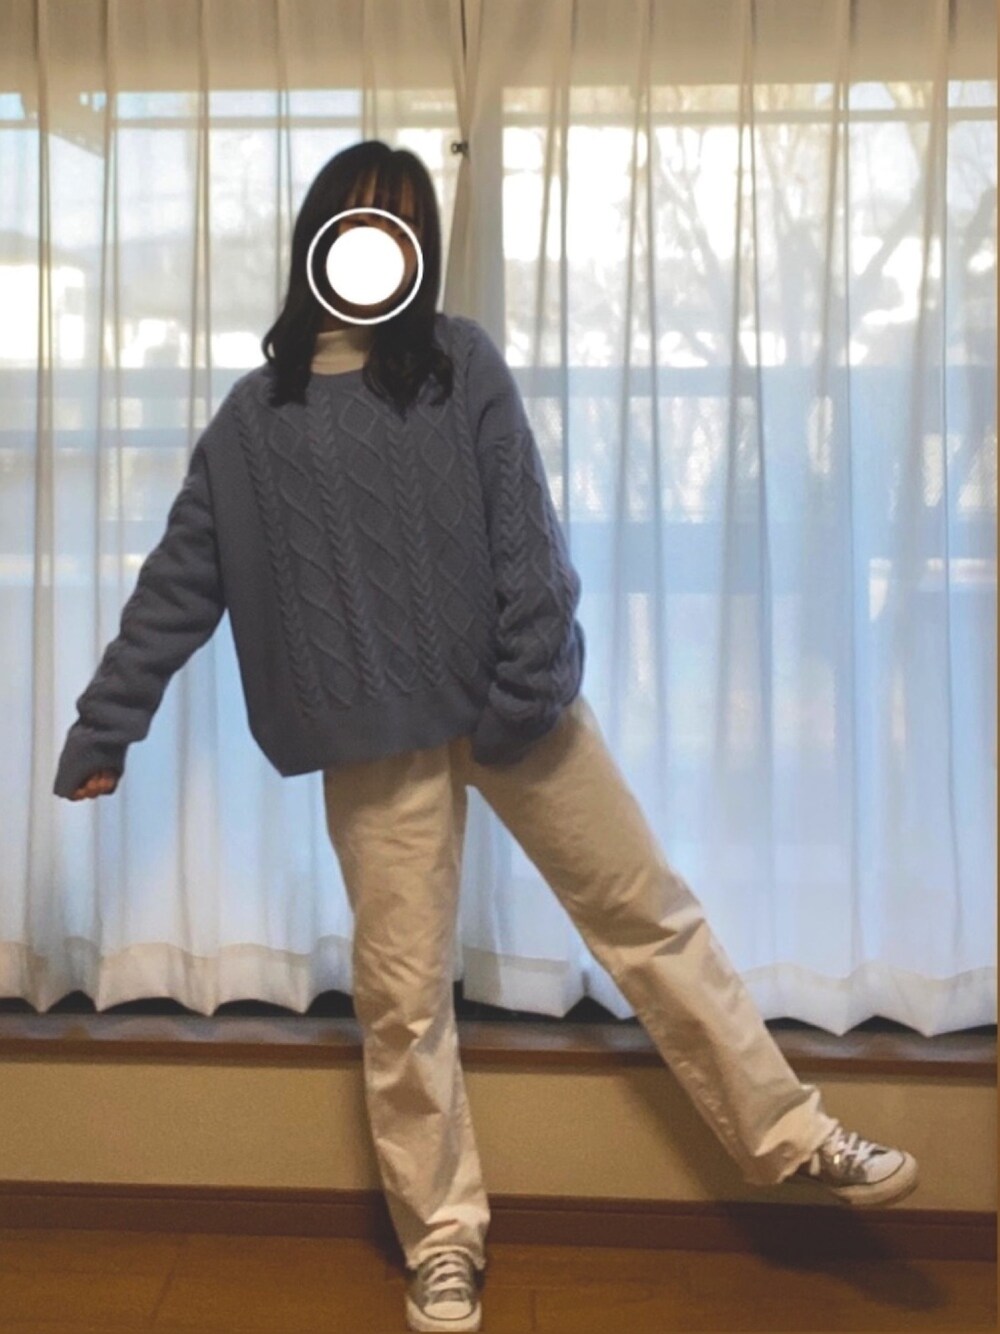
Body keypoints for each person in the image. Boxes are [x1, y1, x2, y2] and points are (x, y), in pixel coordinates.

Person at [54, 141, 918, 1334]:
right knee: (404, 1002)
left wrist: (527, 686)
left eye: (399, 222)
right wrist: (109, 721)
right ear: (317, 240)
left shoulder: (460, 364)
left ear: (420, 248)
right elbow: (181, 578)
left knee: (650, 916)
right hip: (373, 738)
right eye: (356, 219)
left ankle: (794, 1131)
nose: (376, 240)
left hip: (519, 707)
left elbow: (527, 532)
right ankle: (443, 1238)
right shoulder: (256, 419)